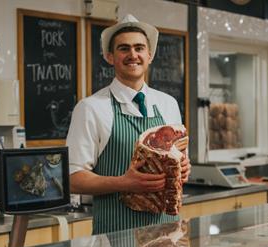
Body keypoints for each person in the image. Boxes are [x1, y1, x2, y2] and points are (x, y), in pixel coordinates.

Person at [66, 14, 191, 235]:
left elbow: (178, 159)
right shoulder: (91, 108)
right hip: (116, 234)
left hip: (167, 232)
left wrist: (183, 168)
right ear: (109, 56)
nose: (133, 54)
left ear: (150, 55)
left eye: (139, 48)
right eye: (124, 48)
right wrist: (124, 183)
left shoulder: (168, 103)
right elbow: (72, 178)